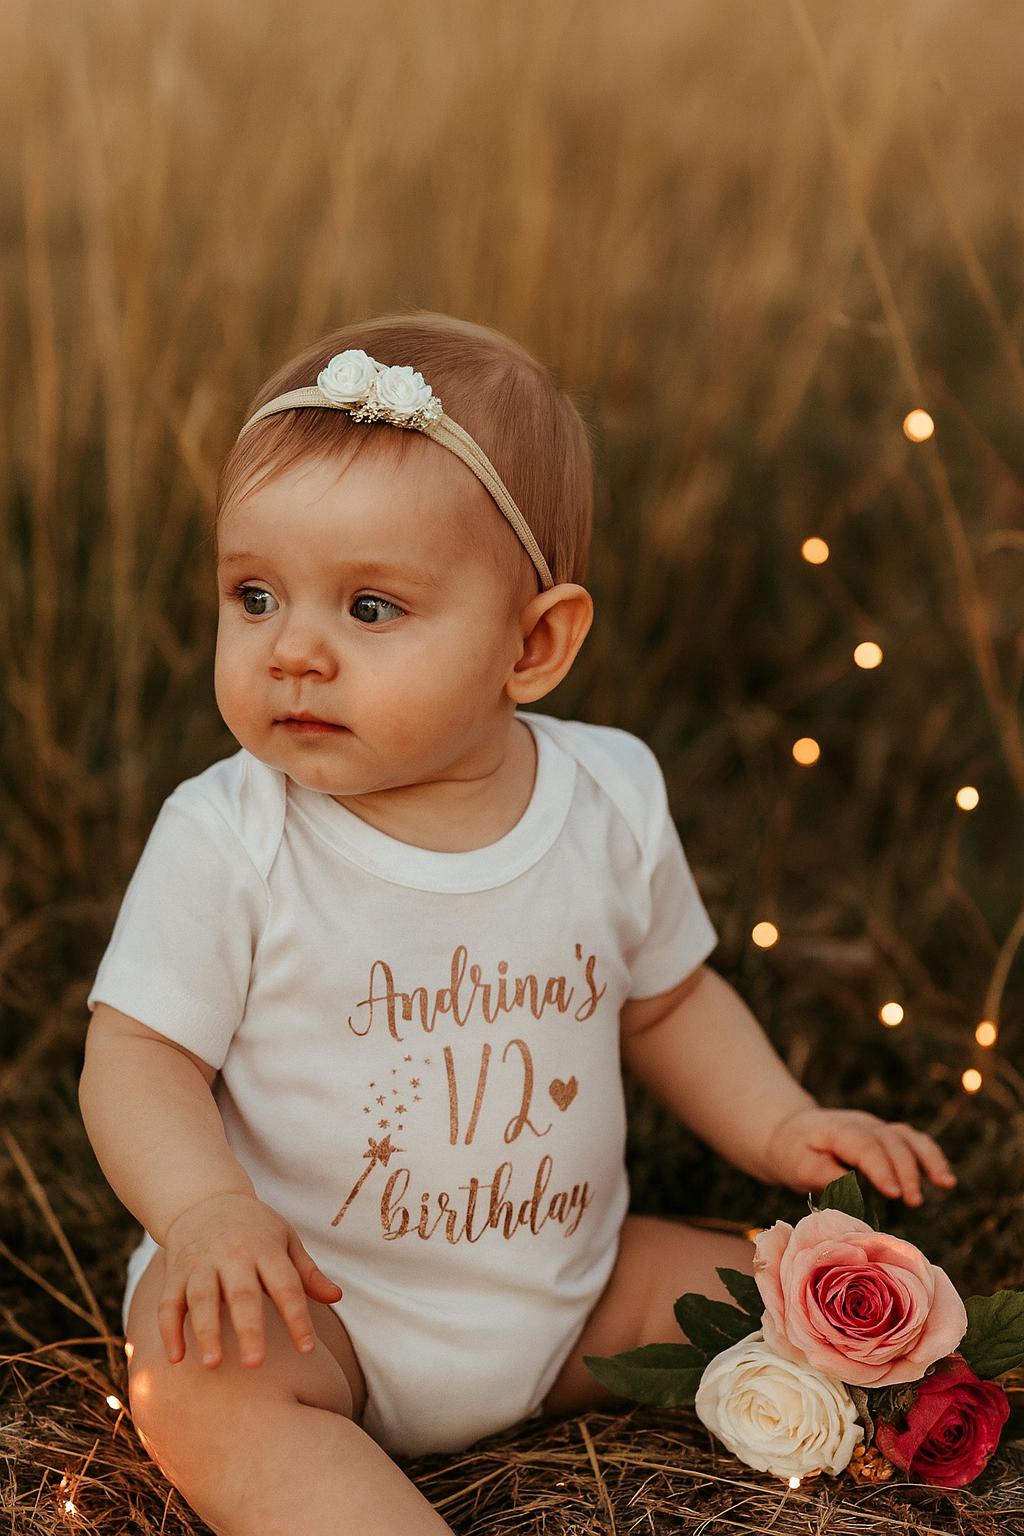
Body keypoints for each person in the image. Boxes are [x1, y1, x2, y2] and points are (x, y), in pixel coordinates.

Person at [79, 311, 957, 1536]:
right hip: (313, 1304)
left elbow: (669, 1002)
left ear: (534, 644)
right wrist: (203, 1213)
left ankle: (898, 1413)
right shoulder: (231, 836)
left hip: (575, 1288)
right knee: (200, 1387)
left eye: (369, 607)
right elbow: (138, 1055)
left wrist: (779, 1121)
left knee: (806, 1296)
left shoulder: (606, 798)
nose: (293, 651)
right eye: (255, 595)